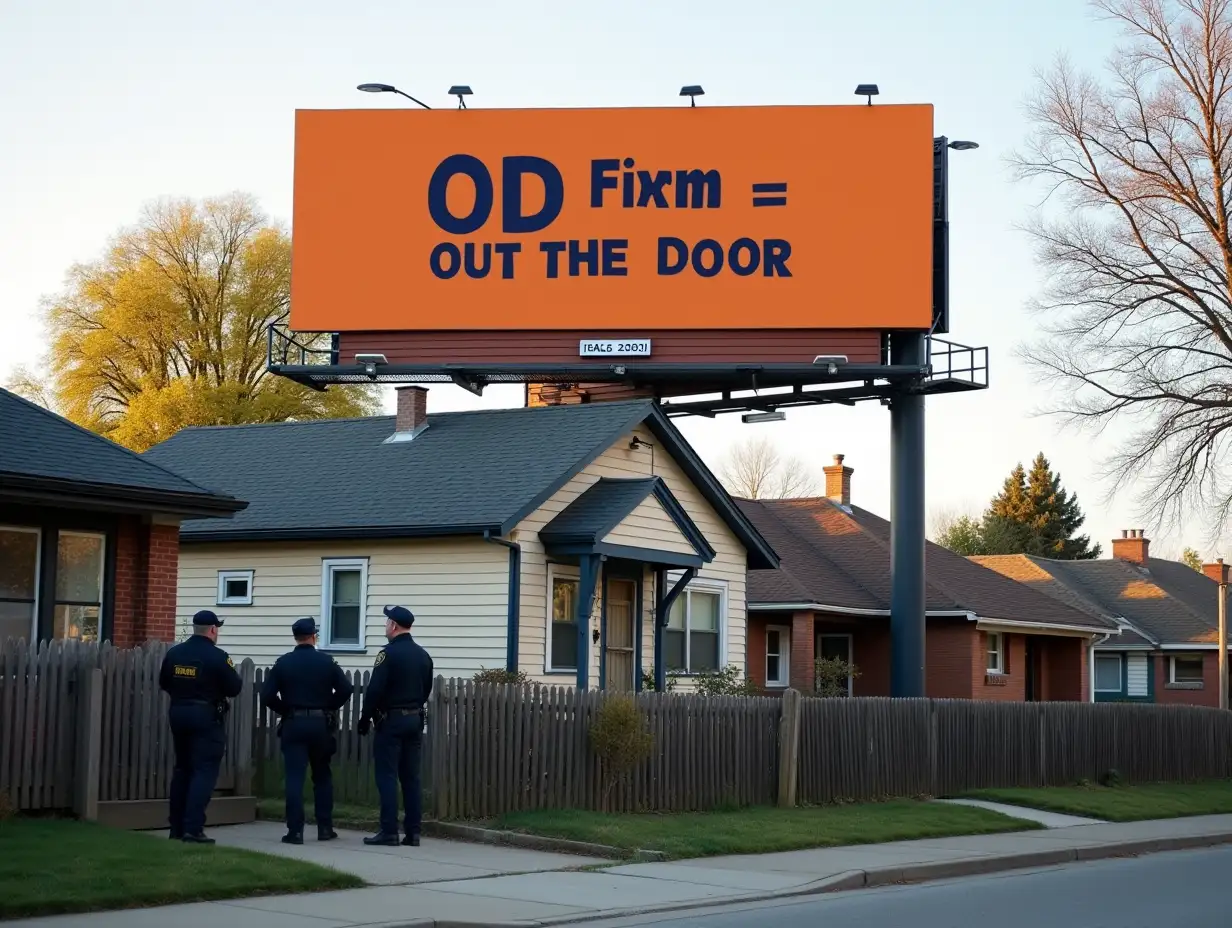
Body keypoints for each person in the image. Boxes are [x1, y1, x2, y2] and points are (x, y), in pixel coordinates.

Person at [259, 617, 354, 844]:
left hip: (294, 724)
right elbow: (346, 688)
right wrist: (328, 706)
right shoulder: (326, 661)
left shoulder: (283, 663)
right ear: (314, 636)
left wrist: (287, 710)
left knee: (294, 777)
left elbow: (267, 696)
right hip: (321, 725)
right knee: (322, 776)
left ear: (295, 637)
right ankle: (324, 828)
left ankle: (295, 831)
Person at [158, 609, 243, 844]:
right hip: (206, 716)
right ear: (213, 630)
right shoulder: (218, 657)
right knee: (203, 771)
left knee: (183, 769)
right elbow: (234, 688)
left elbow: (164, 682)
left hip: (178, 713)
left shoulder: (175, 654)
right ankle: (193, 829)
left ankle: (176, 827)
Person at [358, 604, 434, 847]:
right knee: (411, 777)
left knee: (387, 776)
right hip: (414, 720)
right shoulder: (423, 655)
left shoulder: (387, 655)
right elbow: (426, 689)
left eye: (386, 622)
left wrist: (364, 719)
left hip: (391, 721)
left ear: (393, 625)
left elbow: (374, 690)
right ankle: (413, 833)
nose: (385, 626)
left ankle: (389, 831)